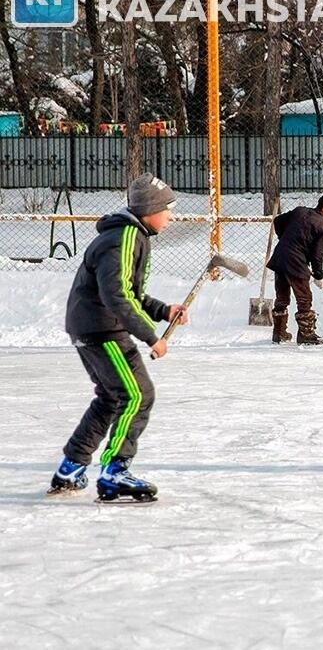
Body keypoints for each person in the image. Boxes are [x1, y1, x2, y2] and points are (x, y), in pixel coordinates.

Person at [50, 172, 189, 501]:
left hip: (91, 326)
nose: (170, 217)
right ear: (150, 210)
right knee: (138, 395)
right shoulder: (125, 236)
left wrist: (164, 310)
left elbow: (130, 293)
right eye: (166, 210)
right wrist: (151, 337)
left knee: (112, 398)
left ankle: (71, 467)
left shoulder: (129, 234)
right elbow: (117, 296)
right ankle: (114, 471)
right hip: (103, 329)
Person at [266, 189, 323, 345]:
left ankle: (279, 333)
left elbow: (278, 221)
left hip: (280, 257)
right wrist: (319, 275)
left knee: (282, 297)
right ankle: (306, 334)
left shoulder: (300, 211)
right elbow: (317, 256)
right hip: (296, 262)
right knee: (304, 298)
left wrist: (286, 240)